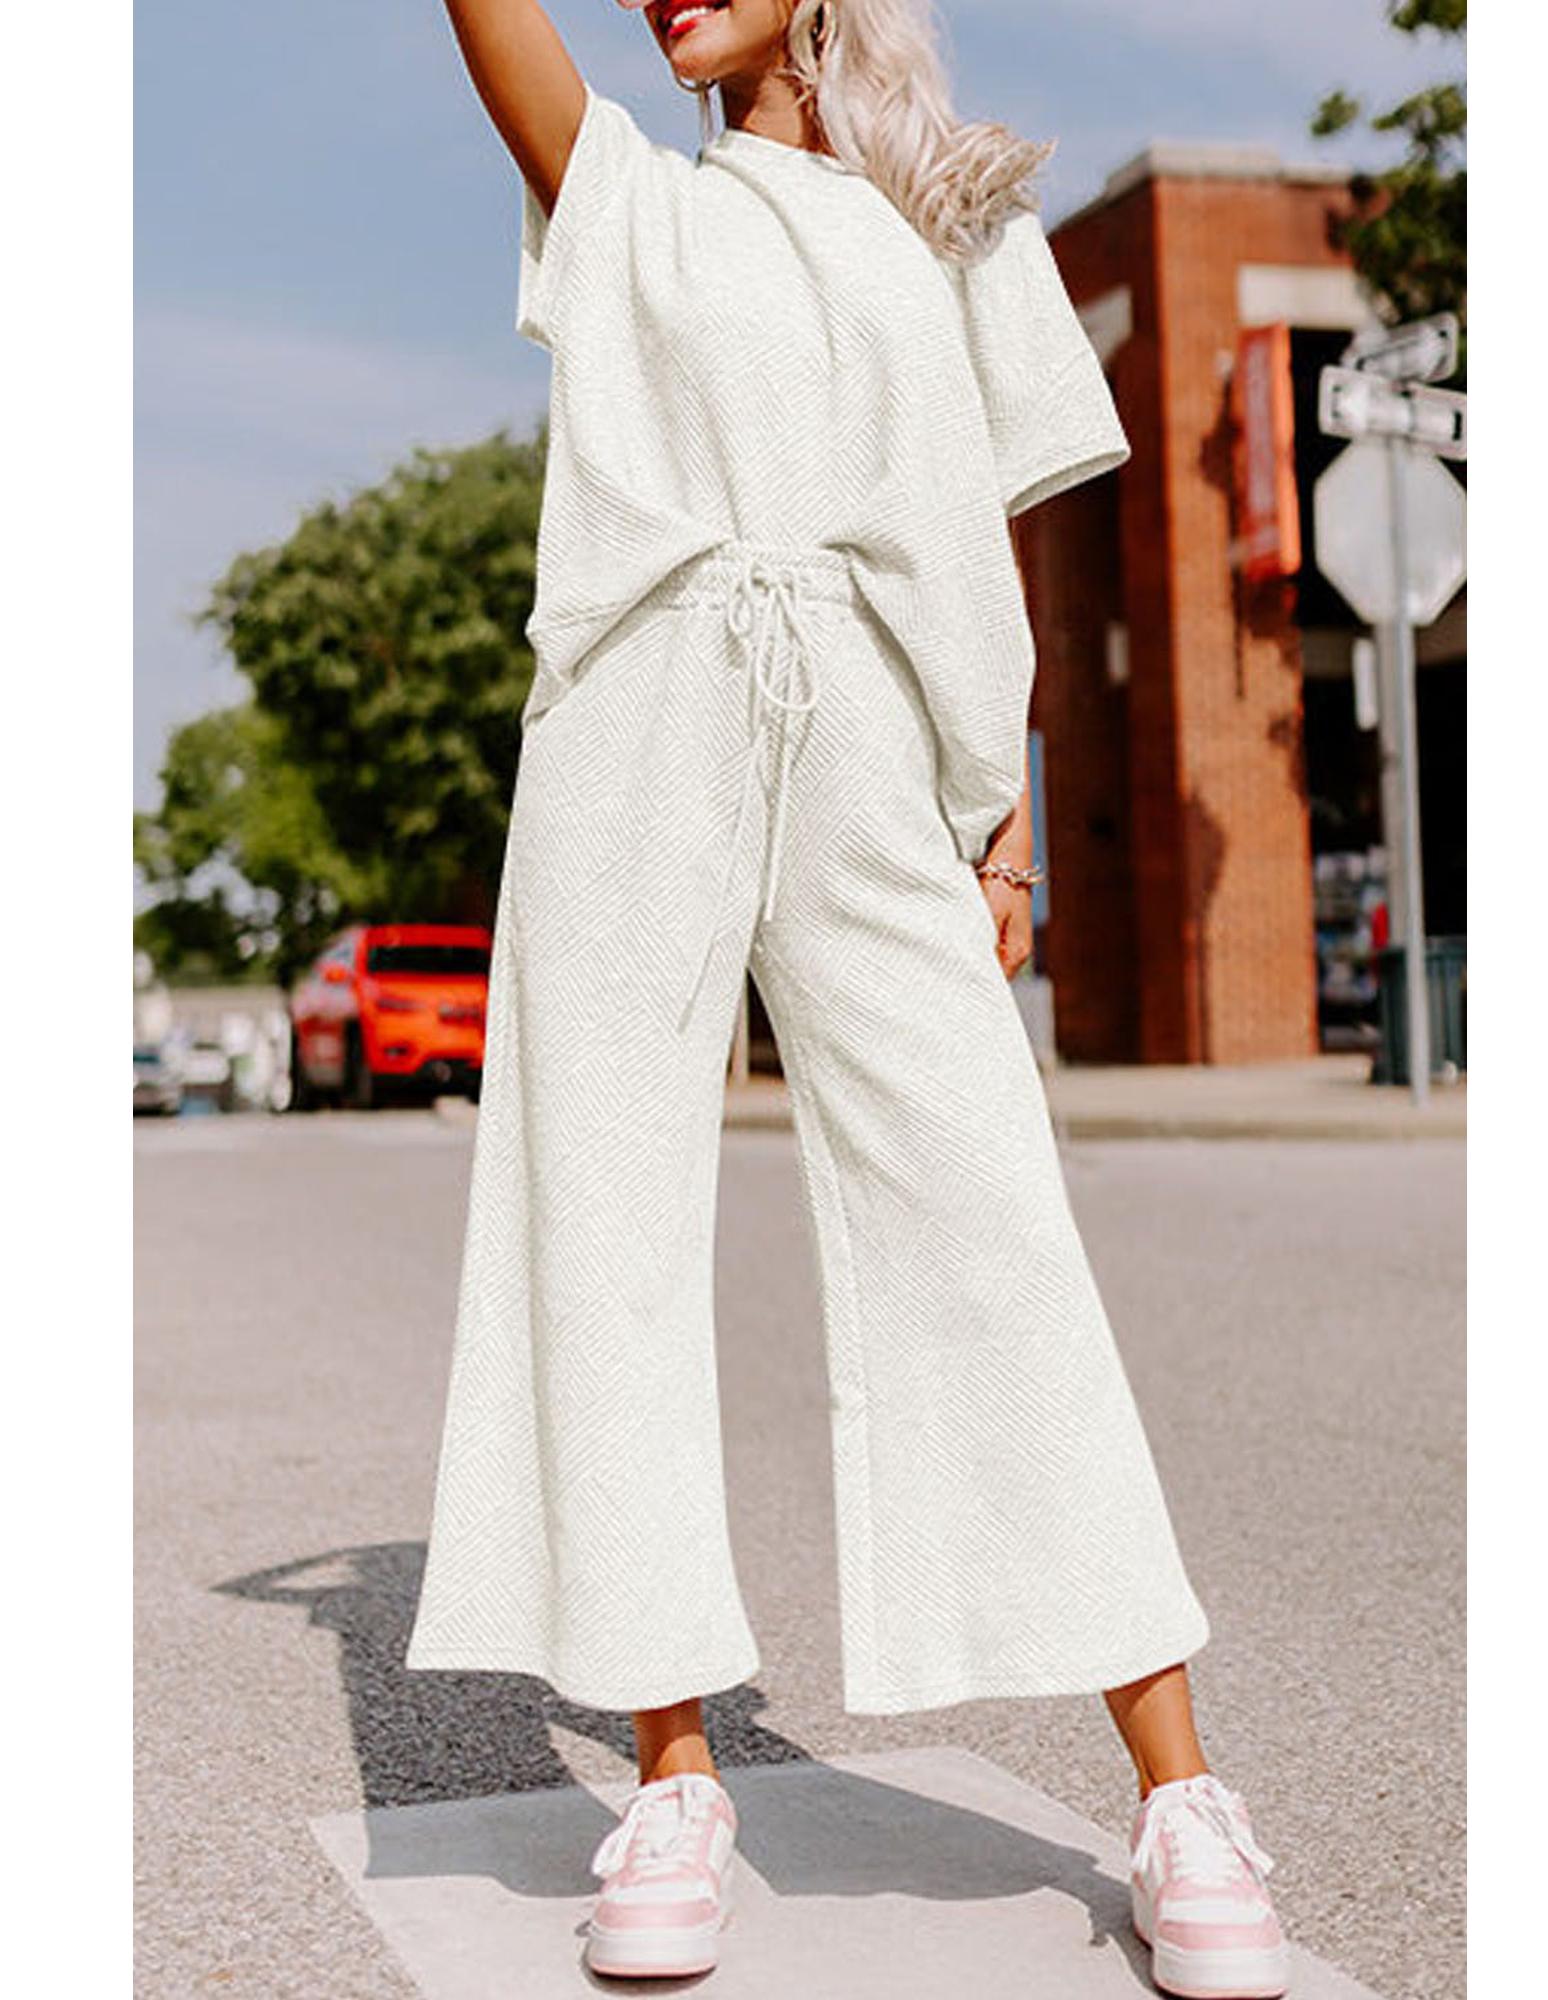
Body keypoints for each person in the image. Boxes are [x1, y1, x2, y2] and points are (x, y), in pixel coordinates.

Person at [405, 5, 1290, 1993]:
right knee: (600, 1230)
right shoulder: (630, 198)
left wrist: (1000, 815)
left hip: (880, 743)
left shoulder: (957, 213)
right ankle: (672, 1770)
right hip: (635, 718)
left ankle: (1178, 1789)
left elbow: (985, 539)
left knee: (989, 1227)